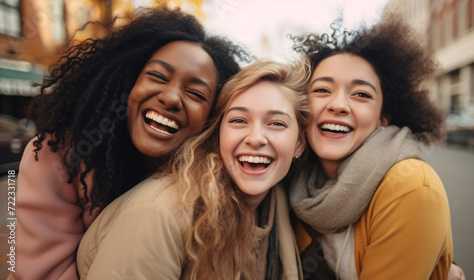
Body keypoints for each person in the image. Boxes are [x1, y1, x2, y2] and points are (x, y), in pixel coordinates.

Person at [9, 7, 249, 280]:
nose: (170, 98)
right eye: (157, 76)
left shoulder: (215, 180)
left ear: (213, 116)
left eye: (195, 93)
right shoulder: (59, 157)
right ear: (127, 83)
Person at [76, 58, 309, 279]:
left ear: (299, 143)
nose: (256, 138)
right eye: (238, 120)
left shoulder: (277, 206)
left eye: (277, 123)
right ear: (218, 135)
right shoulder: (158, 213)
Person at [288, 15, 454, 279]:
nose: (338, 104)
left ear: (382, 120)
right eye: (321, 90)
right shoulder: (290, 176)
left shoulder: (411, 186)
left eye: (361, 94)